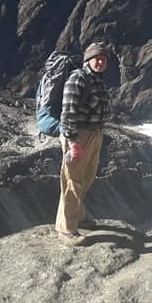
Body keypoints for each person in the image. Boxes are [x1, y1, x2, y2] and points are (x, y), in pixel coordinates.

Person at [55, 42, 110, 246]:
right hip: (79, 135)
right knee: (72, 181)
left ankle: (78, 214)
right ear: (87, 59)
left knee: (86, 178)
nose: (100, 61)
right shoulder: (78, 79)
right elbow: (67, 112)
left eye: (104, 59)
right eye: (96, 57)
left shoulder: (97, 80)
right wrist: (72, 141)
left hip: (94, 133)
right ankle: (66, 229)